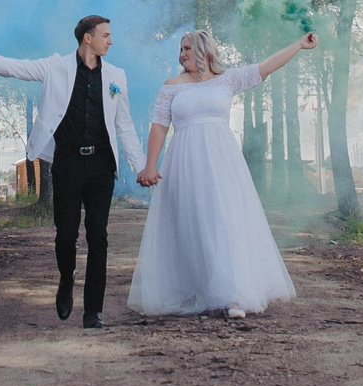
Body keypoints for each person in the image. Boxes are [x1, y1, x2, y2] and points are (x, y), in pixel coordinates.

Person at [0, 15, 144, 328]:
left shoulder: (116, 75)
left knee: (98, 235)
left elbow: (124, 124)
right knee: (65, 234)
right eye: (106, 35)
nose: (111, 40)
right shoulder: (55, 67)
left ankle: (93, 312)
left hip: (101, 164)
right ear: (87, 38)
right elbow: (10, 66)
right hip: (68, 163)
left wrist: (141, 166)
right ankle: (66, 279)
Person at [127, 27, 314, 318]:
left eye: (187, 48)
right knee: (190, 221)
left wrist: (298, 45)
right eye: (181, 49)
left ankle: (233, 295)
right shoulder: (171, 86)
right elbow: (159, 126)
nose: (182, 54)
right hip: (184, 161)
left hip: (222, 161)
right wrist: (150, 165)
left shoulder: (227, 79)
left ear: (205, 50)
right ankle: (194, 288)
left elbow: (266, 66)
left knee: (223, 220)